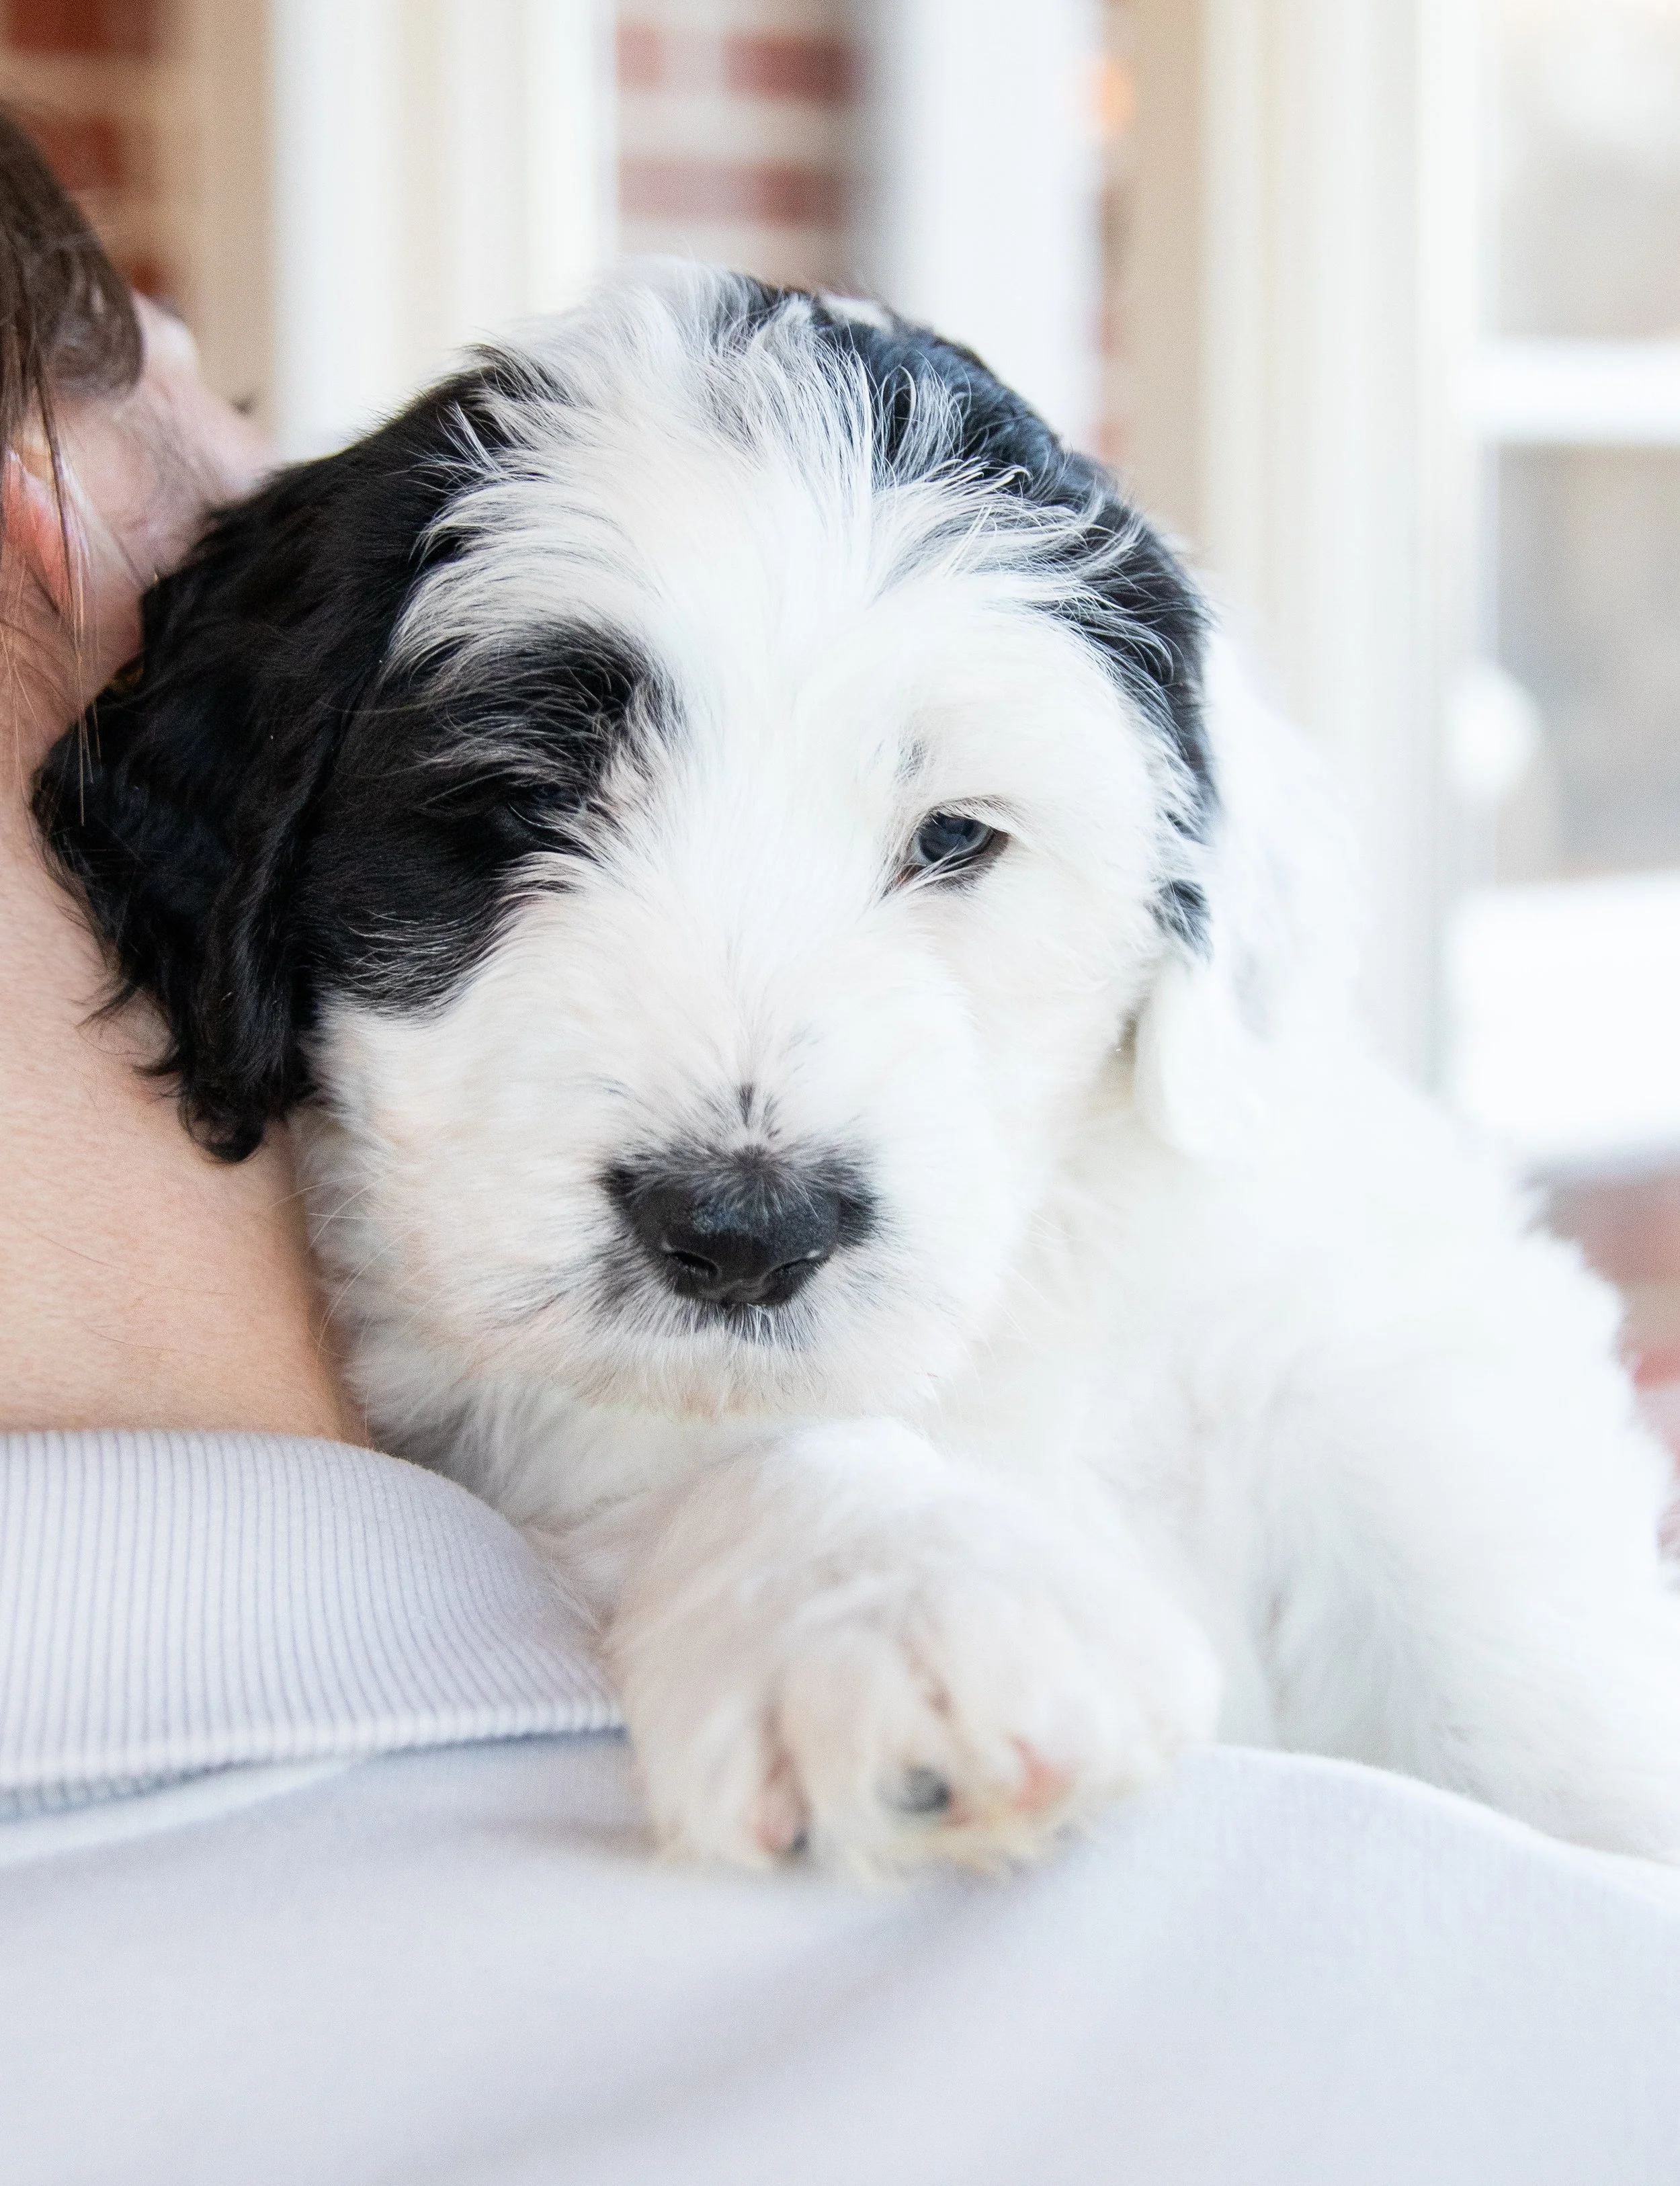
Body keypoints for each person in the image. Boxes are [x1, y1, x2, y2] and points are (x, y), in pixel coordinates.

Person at [2, 112, 1679, 2186]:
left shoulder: (1261, 1196)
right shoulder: (372, 1459)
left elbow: (1435, 1433)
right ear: (248, 843)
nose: (742, 1147)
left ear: (1191, 898)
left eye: (954, 844)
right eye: (518, 810)